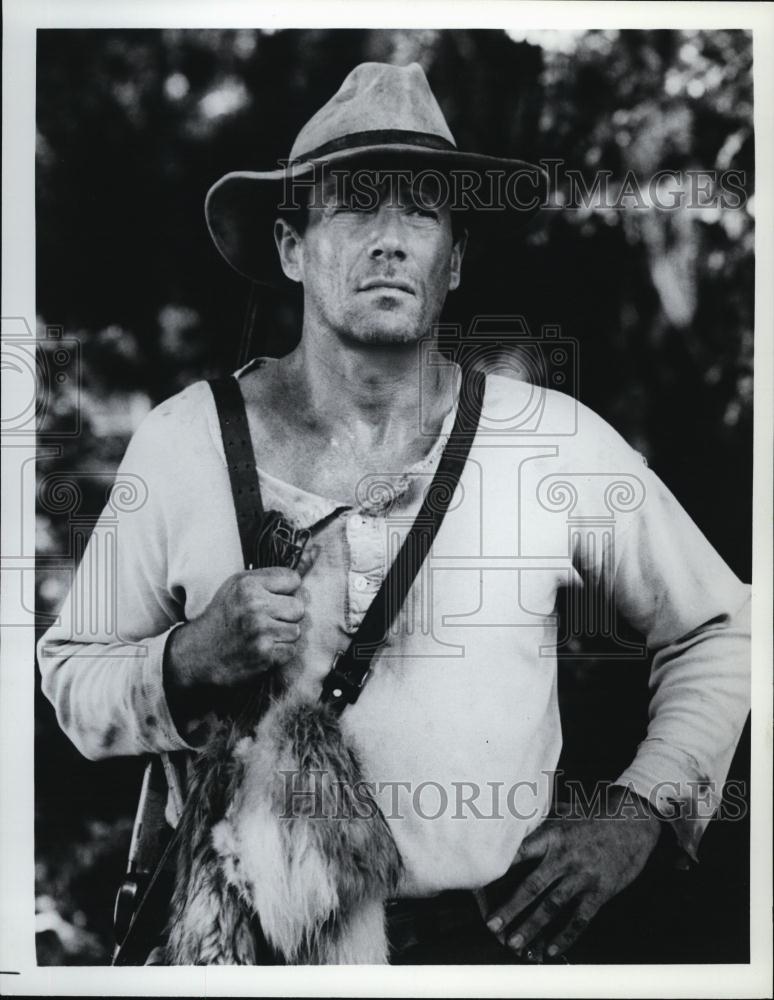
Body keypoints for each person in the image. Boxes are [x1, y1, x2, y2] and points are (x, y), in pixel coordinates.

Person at [37, 62, 751, 965]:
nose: (387, 240)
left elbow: (722, 628)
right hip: (246, 950)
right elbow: (69, 679)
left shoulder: (552, 442)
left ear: (453, 260)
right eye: (354, 207)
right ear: (292, 248)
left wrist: (641, 811)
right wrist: (186, 661)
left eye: (418, 210)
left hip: (482, 949)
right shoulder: (184, 442)